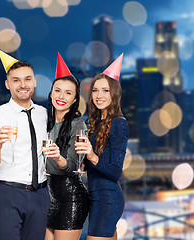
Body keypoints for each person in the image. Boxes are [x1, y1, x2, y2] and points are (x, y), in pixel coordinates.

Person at [0, 48, 50, 240]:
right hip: (8, 193)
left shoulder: (44, 114)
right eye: (16, 80)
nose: (23, 85)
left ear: (35, 82)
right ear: (7, 84)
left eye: (27, 79)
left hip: (41, 194)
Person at [75, 54, 129, 240]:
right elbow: (99, 164)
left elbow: (115, 171)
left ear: (114, 94)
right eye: (95, 90)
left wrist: (91, 156)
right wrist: (84, 164)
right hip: (96, 196)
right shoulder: (96, 123)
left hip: (108, 198)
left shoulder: (118, 123)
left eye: (105, 90)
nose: (99, 95)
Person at [43, 53, 89, 240]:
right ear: (51, 93)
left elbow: (72, 168)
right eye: (57, 90)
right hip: (47, 197)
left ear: (74, 99)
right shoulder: (42, 120)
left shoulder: (78, 125)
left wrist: (57, 157)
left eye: (68, 93)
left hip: (71, 198)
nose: (61, 96)